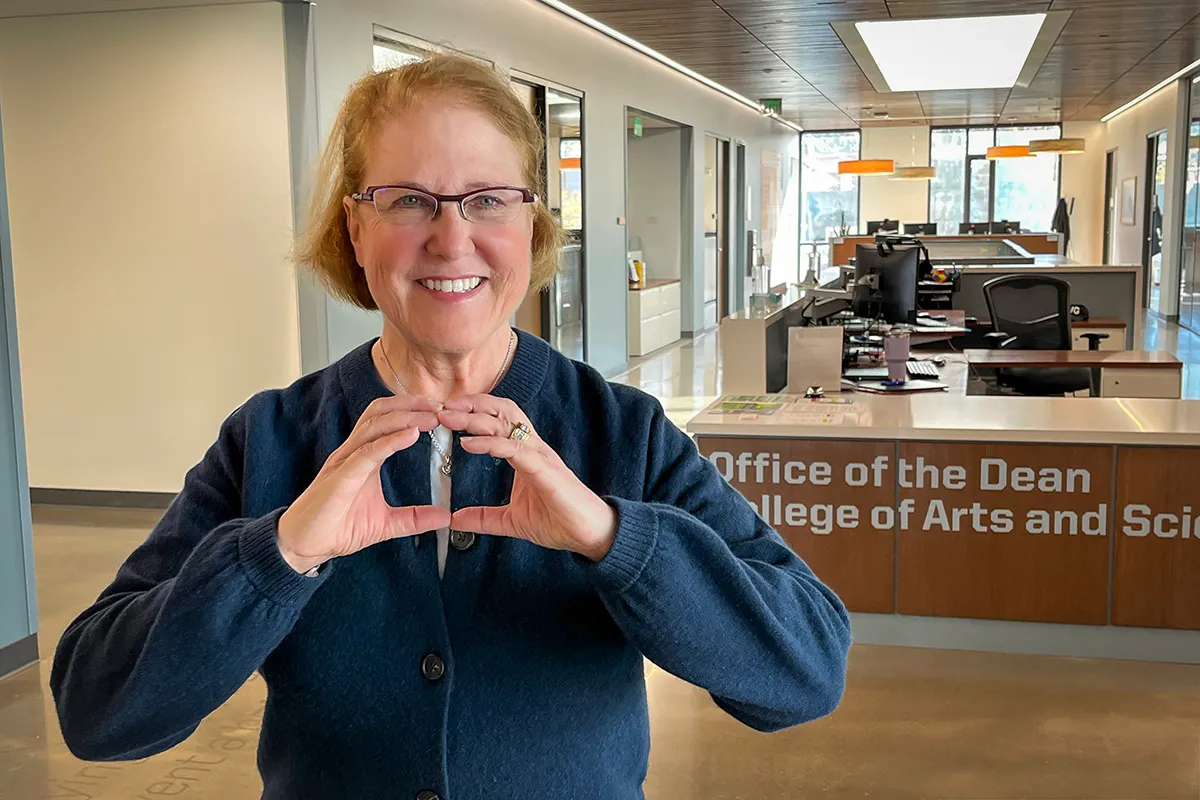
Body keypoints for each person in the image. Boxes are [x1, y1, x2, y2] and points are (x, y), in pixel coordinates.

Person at [50, 54, 850, 799]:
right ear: (354, 228)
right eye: (407, 201)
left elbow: (804, 673)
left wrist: (613, 539)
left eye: (488, 199)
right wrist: (280, 554)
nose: (451, 238)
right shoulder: (270, 438)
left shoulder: (625, 433)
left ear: (532, 224)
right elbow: (98, 713)